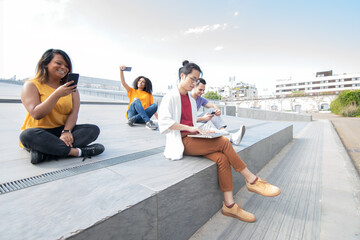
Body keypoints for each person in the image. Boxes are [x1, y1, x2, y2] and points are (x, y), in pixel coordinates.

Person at [158, 60, 281, 222]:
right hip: (182, 140)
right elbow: (164, 122)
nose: (194, 83)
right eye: (192, 79)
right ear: (182, 76)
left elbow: (191, 119)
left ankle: (229, 206)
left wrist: (202, 128)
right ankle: (252, 180)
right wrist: (190, 129)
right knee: (223, 142)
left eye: (196, 80)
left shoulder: (189, 97)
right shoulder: (171, 96)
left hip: (194, 136)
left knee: (222, 159)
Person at [19, 49, 105, 164]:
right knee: (27, 135)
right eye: (59, 63)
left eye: (66, 66)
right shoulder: (31, 85)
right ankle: (78, 152)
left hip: (61, 130)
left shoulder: (72, 89)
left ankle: (44, 153)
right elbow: (36, 114)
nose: (64, 68)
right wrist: (57, 94)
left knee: (92, 130)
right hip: (39, 131)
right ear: (45, 64)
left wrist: (66, 131)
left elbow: (74, 113)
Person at [191, 78, 246, 145]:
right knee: (204, 126)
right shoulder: (188, 98)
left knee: (212, 110)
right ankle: (231, 137)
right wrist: (203, 118)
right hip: (188, 123)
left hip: (195, 120)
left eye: (203, 90)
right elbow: (187, 119)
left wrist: (217, 110)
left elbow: (213, 106)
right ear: (194, 87)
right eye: (200, 90)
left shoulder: (200, 99)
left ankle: (223, 131)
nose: (202, 92)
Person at [119, 66, 158, 130]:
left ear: (146, 85)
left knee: (155, 105)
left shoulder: (149, 94)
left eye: (143, 82)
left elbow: (153, 109)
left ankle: (135, 118)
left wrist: (160, 120)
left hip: (141, 119)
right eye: (139, 81)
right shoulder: (132, 91)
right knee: (136, 100)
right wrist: (121, 71)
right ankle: (148, 122)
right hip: (131, 115)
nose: (140, 82)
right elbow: (123, 82)